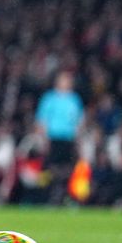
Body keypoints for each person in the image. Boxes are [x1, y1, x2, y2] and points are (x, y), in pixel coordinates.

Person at [35, 70, 85, 205]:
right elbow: (42, 120)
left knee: (68, 168)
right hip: (53, 138)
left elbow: (79, 121)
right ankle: (46, 196)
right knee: (50, 168)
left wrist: (78, 140)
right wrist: (44, 139)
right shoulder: (49, 98)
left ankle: (63, 195)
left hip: (68, 138)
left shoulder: (75, 99)